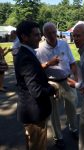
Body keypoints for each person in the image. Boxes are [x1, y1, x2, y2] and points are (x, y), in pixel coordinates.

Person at [14, 20, 56, 150]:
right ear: (24, 37)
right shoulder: (26, 57)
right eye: (36, 35)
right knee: (38, 146)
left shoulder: (26, 53)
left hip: (30, 112)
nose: (40, 38)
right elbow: (36, 90)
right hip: (34, 114)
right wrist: (52, 89)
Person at [36, 22, 78, 148]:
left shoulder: (64, 44)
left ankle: (73, 129)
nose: (53, 35)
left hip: (66, 80)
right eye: (49, 33)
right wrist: (49, 63)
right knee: (54, 113)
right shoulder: (39, 49)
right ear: (44, 34)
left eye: (54, 32)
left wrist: (75, 77)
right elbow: (37, 70)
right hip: (51, 83)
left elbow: (72, 63)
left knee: (72, 106)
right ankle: (58, 137)